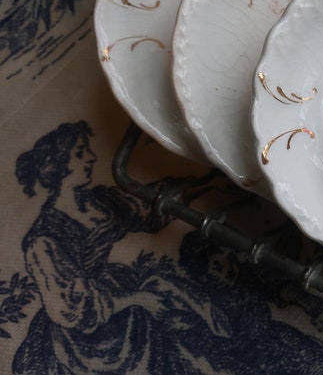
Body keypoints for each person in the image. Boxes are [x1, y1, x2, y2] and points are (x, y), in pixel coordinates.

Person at [13, 121, 228, 374]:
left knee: (178, 301)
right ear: (59, 166)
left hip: (116, 287)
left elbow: (150, 210)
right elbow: (70, 307)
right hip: (89, 327)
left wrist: (208, 182)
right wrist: (140, 299)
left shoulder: (101, 200)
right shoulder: (43, 239)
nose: (92, 157)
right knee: (151, 321)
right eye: (81, 153)